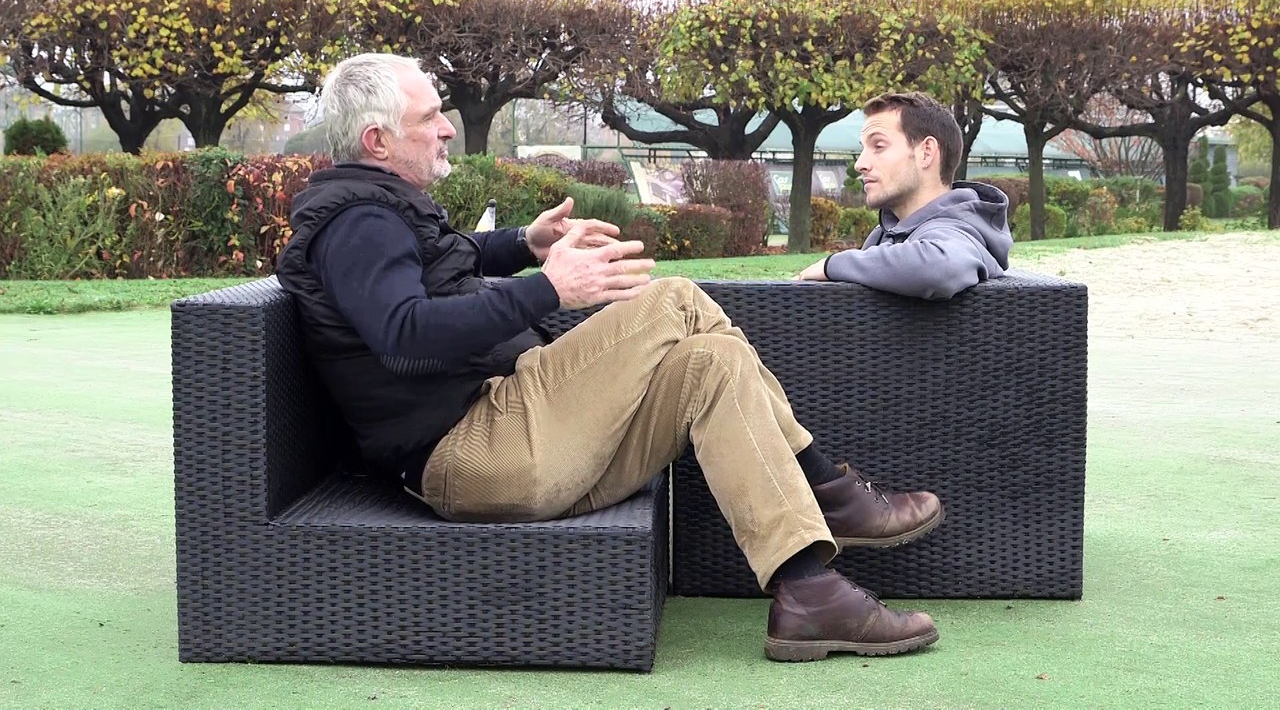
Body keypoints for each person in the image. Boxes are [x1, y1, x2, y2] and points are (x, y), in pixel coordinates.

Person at [277, 54, 946, 663]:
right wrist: (549, 288)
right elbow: (402, 333)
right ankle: (825, 489)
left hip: (520, 447)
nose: (447, 128)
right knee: (675, 300)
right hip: (478, 451)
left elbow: (437, 265)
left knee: (712, 362)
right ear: (378, 141)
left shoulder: (376, 212)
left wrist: (522, 243)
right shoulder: (358, 224)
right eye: (429, 118)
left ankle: (807, 592)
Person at [794, 92, 1012, 298]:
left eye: (878, 146)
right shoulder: (886, 233)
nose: (860, 164)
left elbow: (939, 267)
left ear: (926, 152)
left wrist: (831, 265)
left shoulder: (958, 230)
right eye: (863, 149)